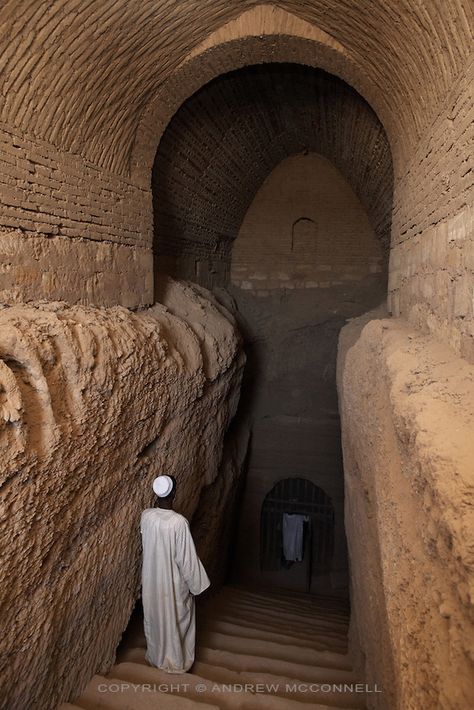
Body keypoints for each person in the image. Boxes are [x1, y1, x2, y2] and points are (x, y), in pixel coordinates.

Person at [140, 475, 210, 673]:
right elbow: (187, 560)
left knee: (156, 619)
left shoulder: (146, 516)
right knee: (175, 620)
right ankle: (176, 662)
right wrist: (197, 585)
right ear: (174, 493)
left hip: (152, 580)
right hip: (172, 582)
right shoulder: (178, 523)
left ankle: (157, 658)